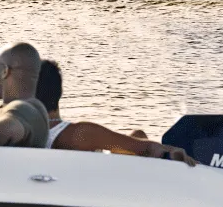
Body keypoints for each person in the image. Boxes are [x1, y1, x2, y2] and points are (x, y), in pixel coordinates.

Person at [37, 57, 196, 164]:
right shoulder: (79, 134)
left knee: (137, 135)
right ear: (60, 92)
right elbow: (148, 149)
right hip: (104, 189)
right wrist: (170, 150)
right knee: (139, 138)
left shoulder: (25, 135)